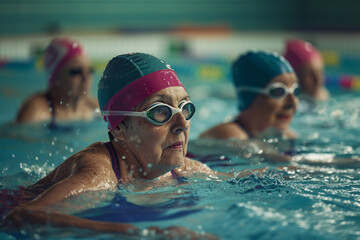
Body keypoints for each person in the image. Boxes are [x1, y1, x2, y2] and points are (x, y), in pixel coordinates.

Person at [1, 53, 262, 238]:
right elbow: (19, 217)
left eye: (185, 106)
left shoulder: (182, 169)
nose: (182, 122)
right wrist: (138, 233)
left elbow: (241, 180)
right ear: (120, 128)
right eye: (160, 112)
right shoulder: (100, 174)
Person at [200, 50, 299, 141]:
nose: (292, 102)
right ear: (249, 98)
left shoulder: (287, 136)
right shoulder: (230, 133)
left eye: (295, 91)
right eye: (278, 92)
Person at [16, 38, 98, 126]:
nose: (86, 77)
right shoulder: (37, 112)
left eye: (89, 70)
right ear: (55, 78)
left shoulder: (95, 108)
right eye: (76, 71)